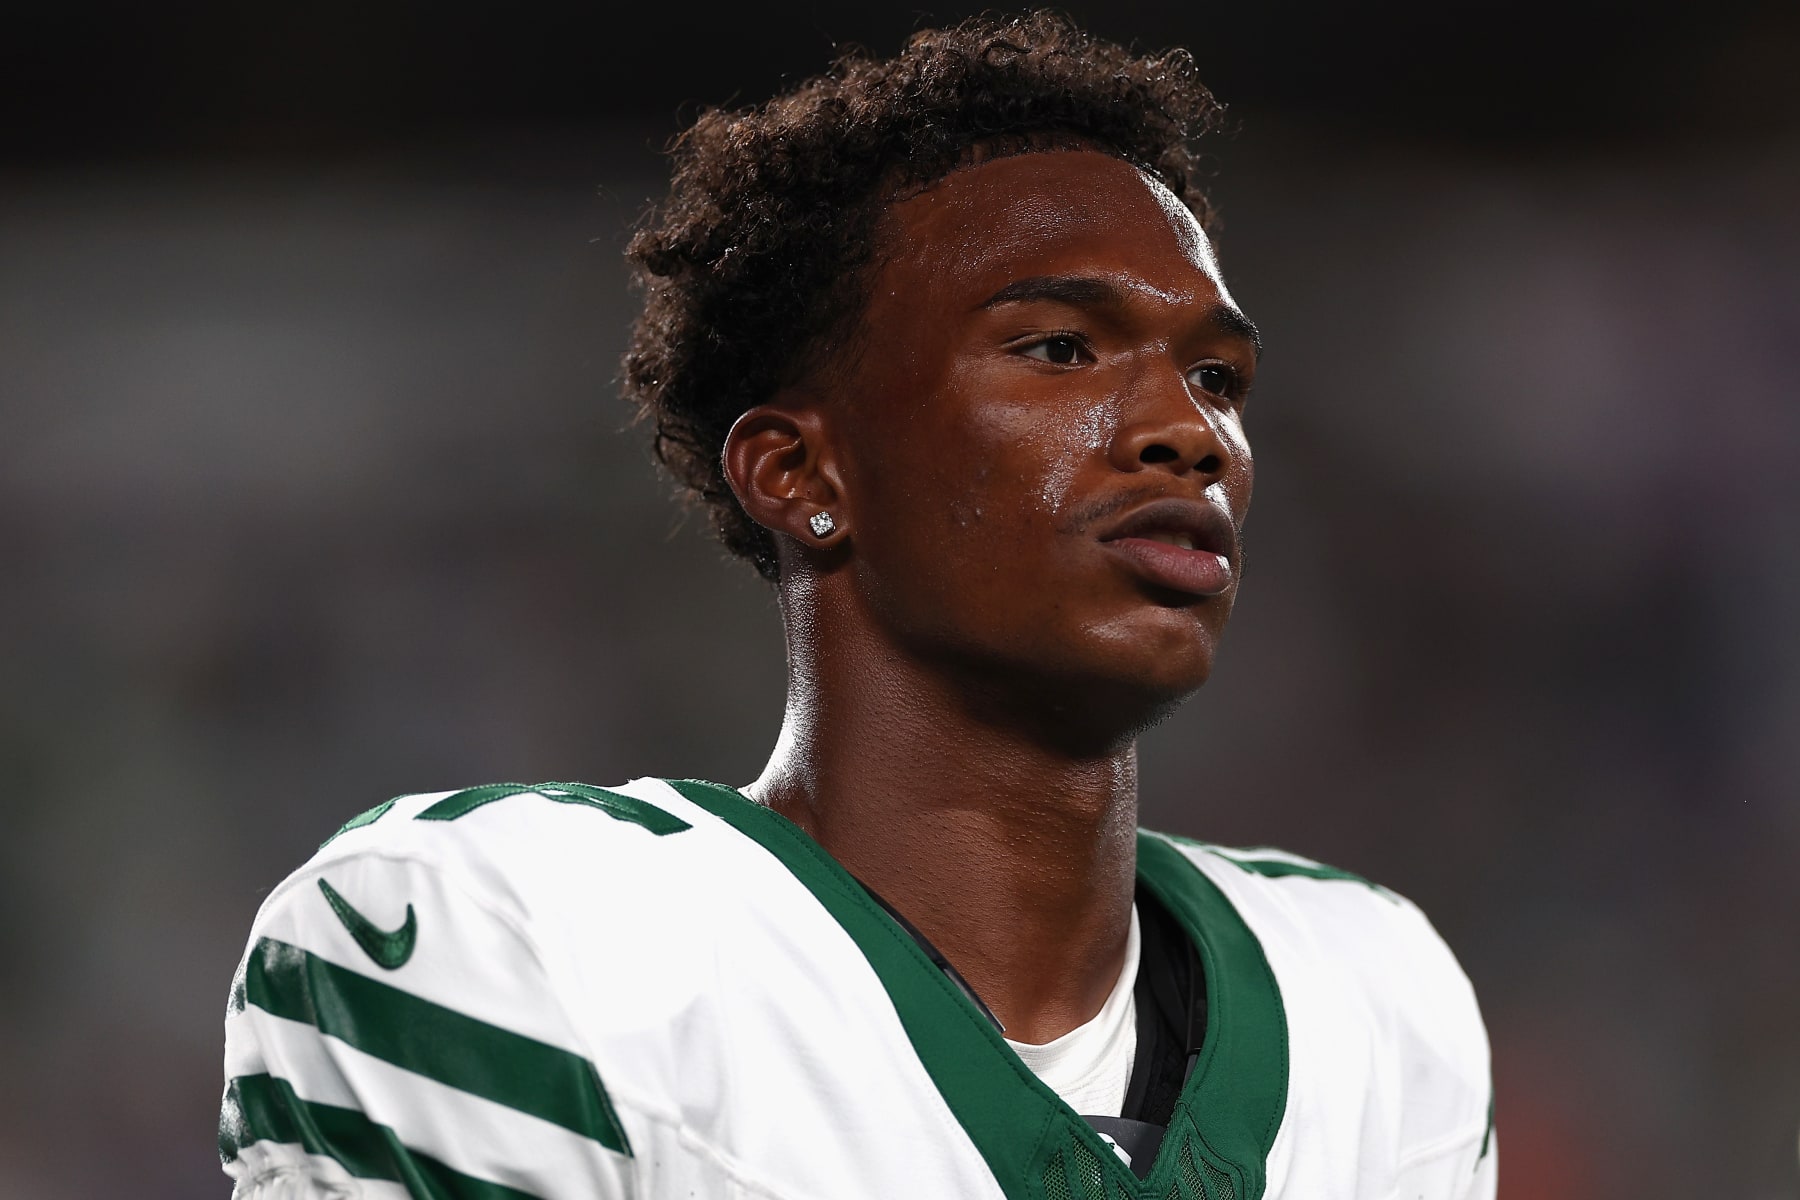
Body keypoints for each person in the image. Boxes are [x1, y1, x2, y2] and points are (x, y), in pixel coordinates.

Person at [218, 12, 1494, 1199]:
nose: (1189, 431)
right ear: (800, 474)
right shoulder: (509, 938)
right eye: (1059, 348)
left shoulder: (1375, 1003)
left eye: (1217, 376)